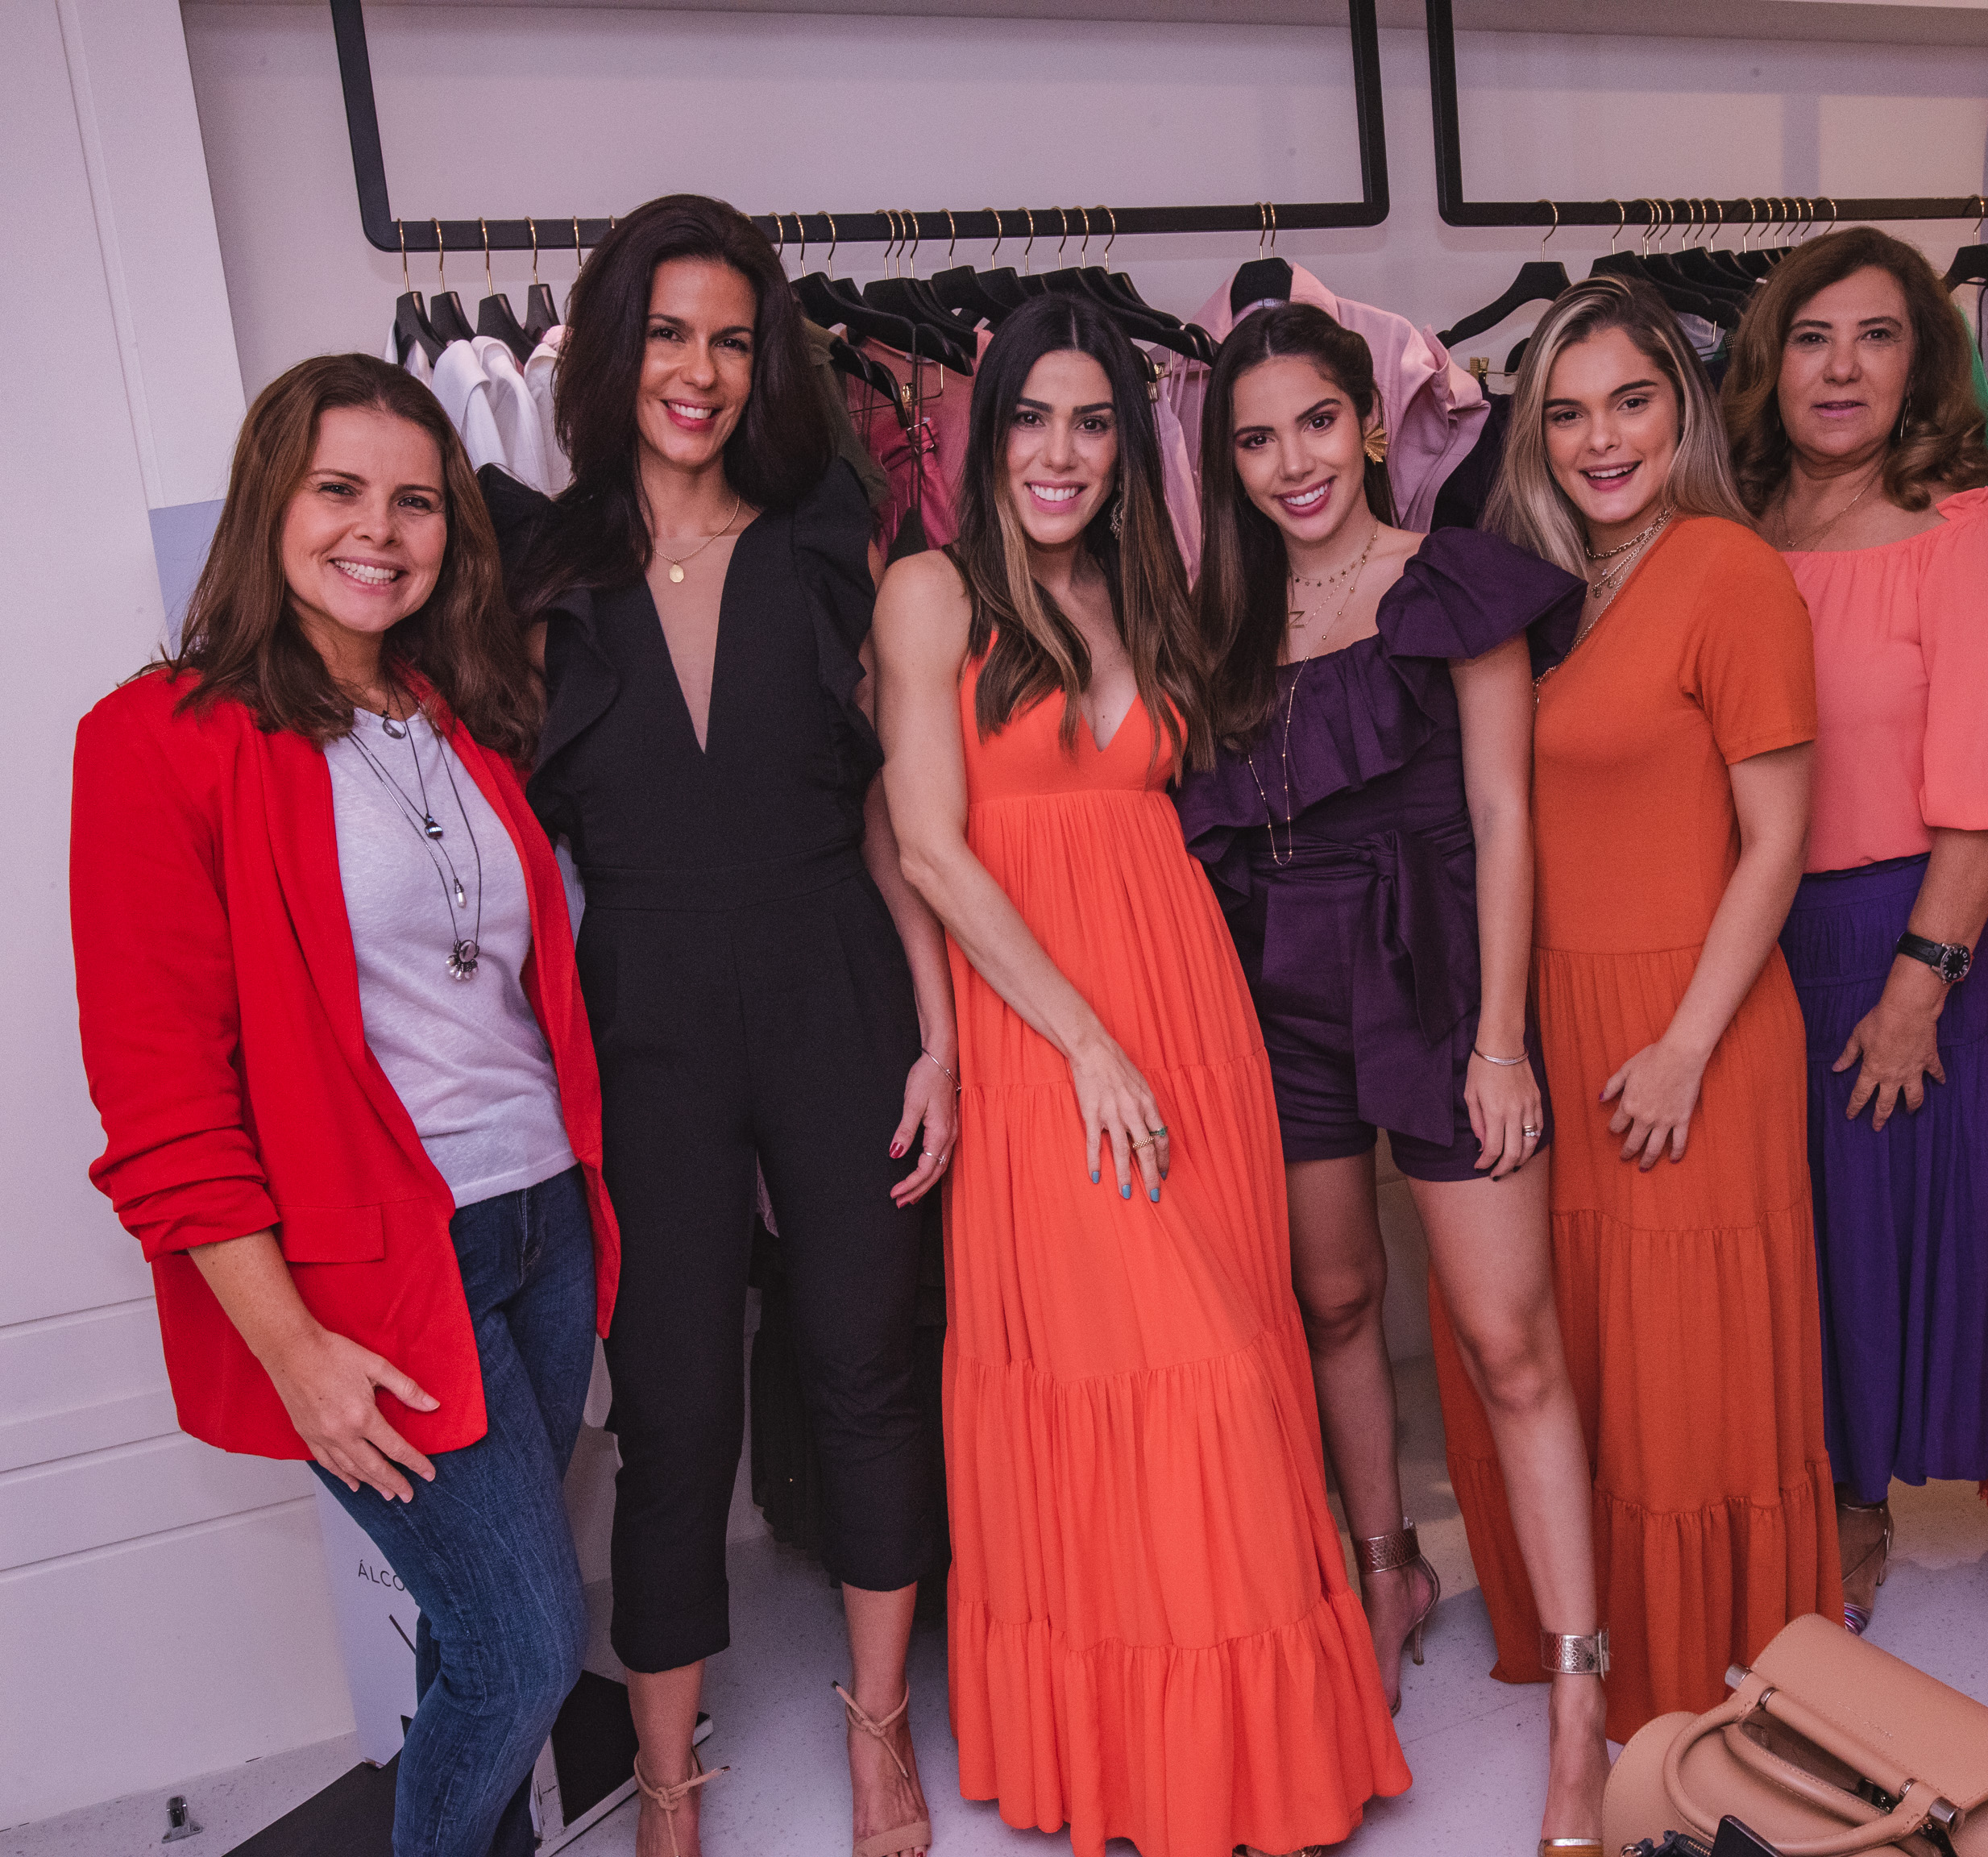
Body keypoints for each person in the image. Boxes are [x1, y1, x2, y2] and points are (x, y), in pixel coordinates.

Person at [874, 291, 1410, 1857]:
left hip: (1196, 1024)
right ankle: (1166, 1770)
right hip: (1054, 1041)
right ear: (986, 436)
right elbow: (926, 845)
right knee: (1166, 1378)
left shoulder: (1141, 588)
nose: (1061, 452)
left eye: (1094, 423)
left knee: (1238, 1357)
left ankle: (1239, 1763)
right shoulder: (931, 591)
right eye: (1033, 419)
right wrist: (1070, 1041)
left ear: (1127, 444)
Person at [72, 354, 612, 1857]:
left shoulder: (459, 711)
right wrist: (293, 1348)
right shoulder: (158, 738)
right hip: (376, 1268)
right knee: (527, 1648)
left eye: (417, 501)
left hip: (540, 1222)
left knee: (469, 1631)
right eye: (339, 490)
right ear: (271, 503)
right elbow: (162, 1099)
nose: (381, 530)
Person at [489, 194, 954, 1857]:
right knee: (675, 1409)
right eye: (669, 334)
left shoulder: (832, 533)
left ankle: (880, 1734)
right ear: (617, 351)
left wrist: (939, 1033)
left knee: (866, 1368)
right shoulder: (541, 569)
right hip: (650, 1018)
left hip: (837, 980)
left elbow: (894, 813)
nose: (698, 372)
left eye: (732, 341)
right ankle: (672, 1786)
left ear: (768, 364)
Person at [1175, 302, 1609, 1845]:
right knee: (1338, 1304)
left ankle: (1579, 1693)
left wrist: (1501, 1041)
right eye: (1255, 438)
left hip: (1434, 975)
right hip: (1281, 993)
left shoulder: (1451, 581)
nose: (1292, 462)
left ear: (1370, 421)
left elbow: (1505, 816)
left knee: (1507, 1342)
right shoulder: (1220, 627)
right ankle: (1387, 1576)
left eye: (1315, 422)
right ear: (1227, 464)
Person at [1480, 276, 1842, 1747]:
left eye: (1631, 401)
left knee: (1691, 1373)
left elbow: (1780, 841)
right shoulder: (1547, 584)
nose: (1601, 440)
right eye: (1567, 414)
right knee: (1602, 1356)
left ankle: (1714, 1666)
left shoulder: (1726, 568)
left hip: (1696, 1018)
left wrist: (1689, 1045)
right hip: (1566, 1018)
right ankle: (1607, 1641)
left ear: (1681, 410)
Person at [1723, 227, 1988, 1634]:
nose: (1841, 367)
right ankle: (1782, 1483)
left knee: (1863, 1235)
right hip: (1742, 933)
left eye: (1876, 336)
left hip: (1894, 930)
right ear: (1771, 363)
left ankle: (1856, 1510)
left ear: (1921, 365)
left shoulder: (1961, 539)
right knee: (1769, 1234)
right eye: (1812, 337)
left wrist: (1920, 985)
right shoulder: (1728, 530)